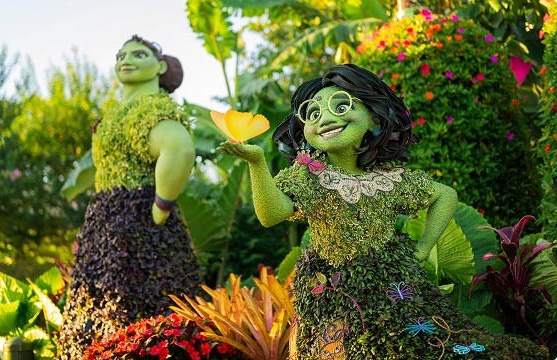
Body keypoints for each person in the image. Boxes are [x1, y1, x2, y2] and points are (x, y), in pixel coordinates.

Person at [219, 64, 547, 359]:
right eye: (313, 113)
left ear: (374, 117)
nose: (326, 118)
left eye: (342, 105)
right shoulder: (309, 176)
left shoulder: (390, 179)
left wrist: (423, 248)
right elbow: (271, 215)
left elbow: (445, 195)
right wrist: (257, 162)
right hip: (331, 286)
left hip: (395, 285)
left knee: (420, 344)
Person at [57, 35, 202, 358]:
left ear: (160, 66)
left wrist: (161, 206)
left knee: (148, 316)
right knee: (100, 313)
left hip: (139, 221)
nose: (127, 59)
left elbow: (178, 148)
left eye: (139, 54)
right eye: (121, 55)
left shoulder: (152, 108)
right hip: (105, 223)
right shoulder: (114, 114)